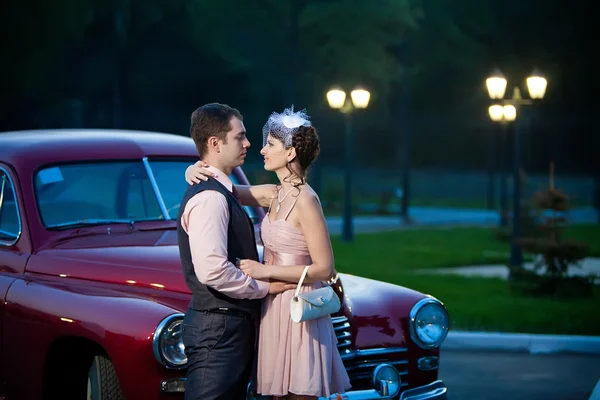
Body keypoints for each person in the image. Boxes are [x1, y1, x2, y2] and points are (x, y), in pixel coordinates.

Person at [185, 106, 351, 400]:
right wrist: (195, 169)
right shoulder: (273, 194)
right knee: (276, 394)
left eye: (270, 145)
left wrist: (266, 272)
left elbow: (325, 268)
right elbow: (224, 189)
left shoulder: (307, 201)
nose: (260, 150)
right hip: (272, 305)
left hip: (298, 304)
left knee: (300, 392)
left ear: (289, 154)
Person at [177, 103, 295, 400]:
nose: (249, 144)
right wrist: (264, 287)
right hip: (219, 329)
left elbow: (266, 193)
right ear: (215, 143)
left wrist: (194, 168)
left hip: (229, 327)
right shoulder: (210, 199)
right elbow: (213, 270)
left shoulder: (222, 191)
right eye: (240, 137)